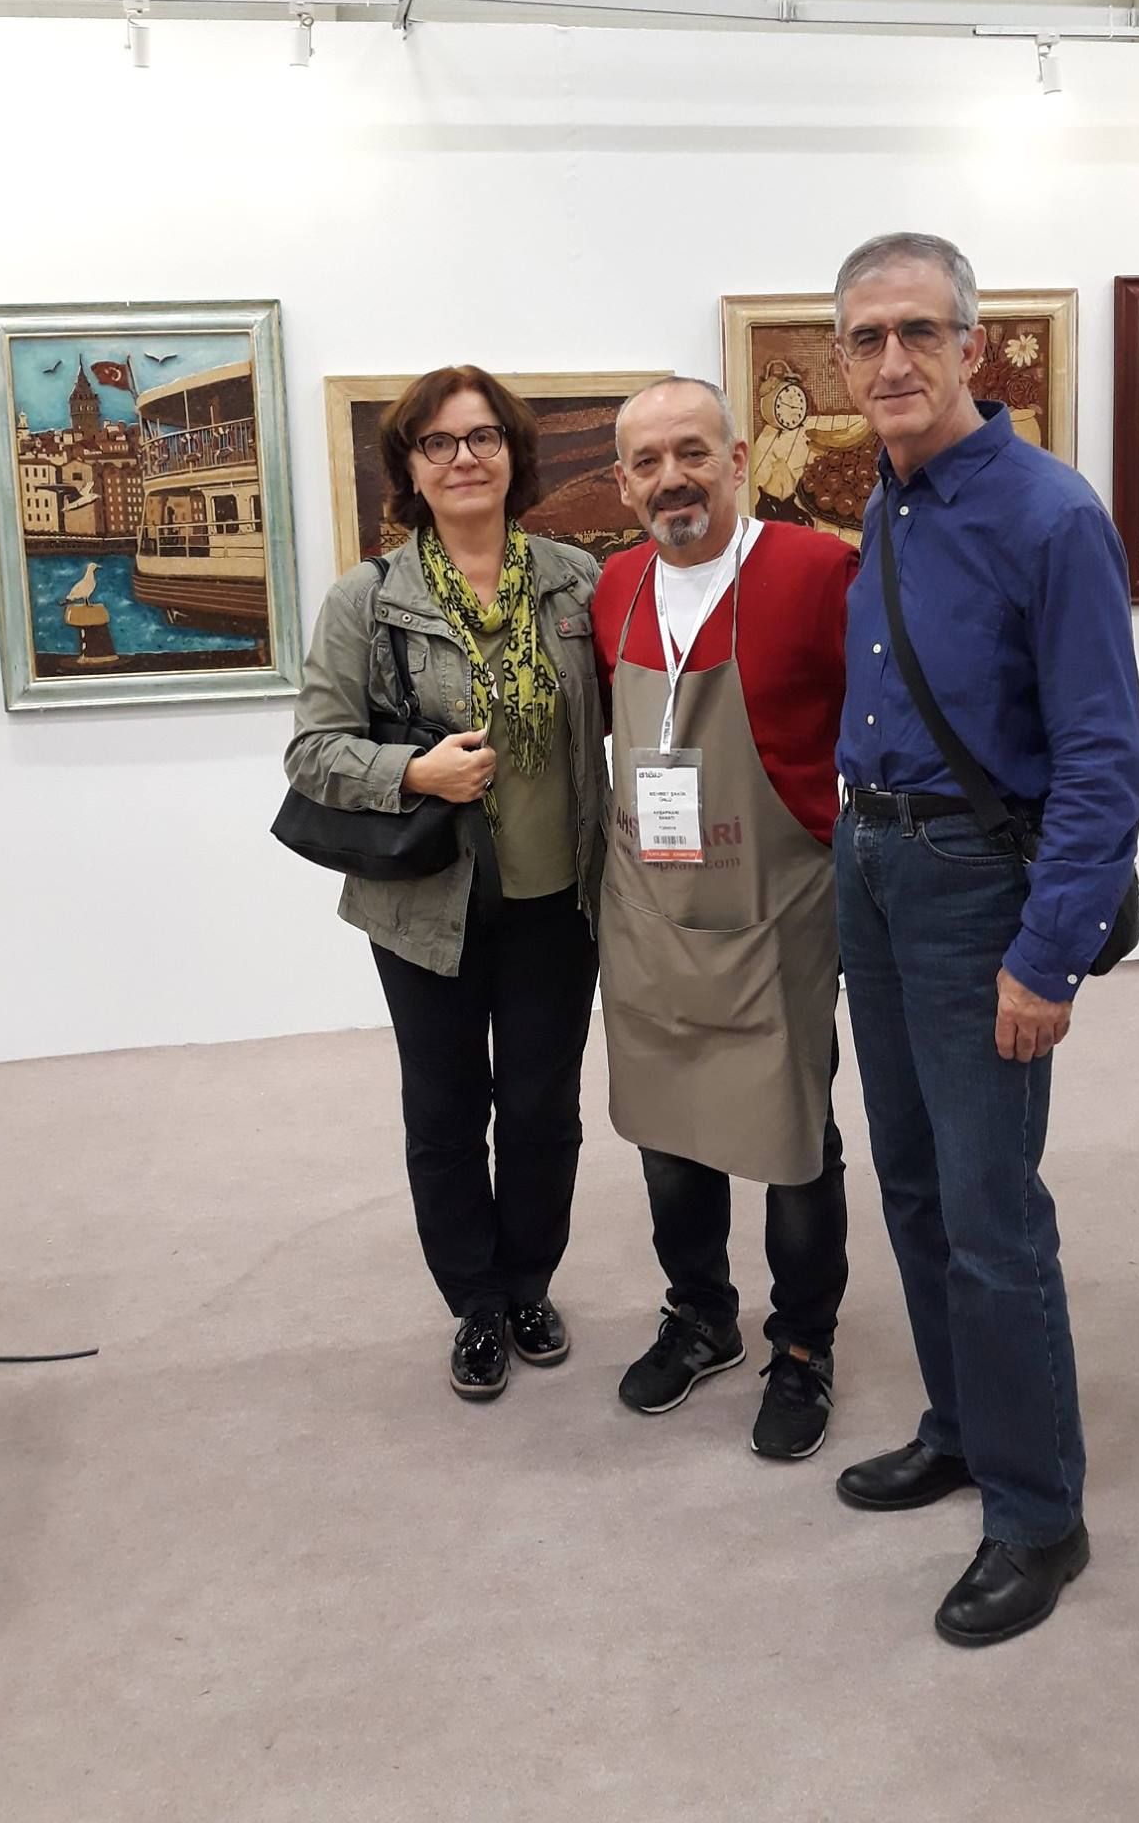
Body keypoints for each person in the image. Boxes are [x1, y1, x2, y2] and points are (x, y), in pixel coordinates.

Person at [827, 233, 1139, 1646]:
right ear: (842, 359)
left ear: (973, 345)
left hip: (974, 891)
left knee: (992, 1212)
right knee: (910, 1180)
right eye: (866, 336)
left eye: (919, 330)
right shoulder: (885, 501)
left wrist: (1047, 953)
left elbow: (1104, 757)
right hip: (872, 862)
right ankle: (961, 1425)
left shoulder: (1049, 515)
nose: (892, 358)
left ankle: (1037, 1514)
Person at [285, 366, 609, 1402]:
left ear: (514, 454)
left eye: (482, 438)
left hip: (559, 899)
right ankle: (474, 1299)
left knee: (544, 1109)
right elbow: (311, 751)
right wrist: (412, 773)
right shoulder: (367, 598)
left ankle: (529, 1283)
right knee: (445, 1108)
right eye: (438, 442)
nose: (463, 458)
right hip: (427, 905)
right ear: (411, 469)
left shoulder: (577, 582)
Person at [592, 377, 857, 1460]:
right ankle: (701, 1314)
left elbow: (883, 727)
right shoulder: (615, 587)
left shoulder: (815, 571)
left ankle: (802, 1342)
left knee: (793, 1141)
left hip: (775, 903)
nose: (673, 479)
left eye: (693, 452)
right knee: (667, 1128)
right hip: (648, 909)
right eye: (648, 462)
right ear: (624, 483)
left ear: (739, 460)